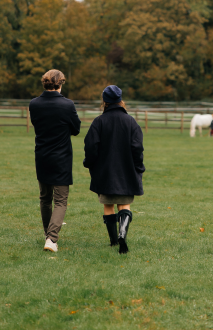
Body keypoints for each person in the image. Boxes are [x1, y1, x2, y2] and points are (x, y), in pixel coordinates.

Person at [83, 85, 145, 254]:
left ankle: (113, 241)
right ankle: (122, 234)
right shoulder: (131, 121)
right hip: (126, 171)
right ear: (120, 100)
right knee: (124, 204)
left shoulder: (98, 122)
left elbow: (90, 146)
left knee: (108, 204)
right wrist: (139, 167)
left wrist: (89, 163)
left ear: (105, 101)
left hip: (105, 172)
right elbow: (137, 147)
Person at [29, 69, 81, 252]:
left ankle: (48, 234)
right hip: (61, 158)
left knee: (45, 198)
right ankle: (51, 239)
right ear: (60, 84)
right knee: (60, 200)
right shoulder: (67, 105)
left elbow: (37, 124)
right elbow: (76, 129)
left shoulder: (34, 104)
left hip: (41, 156)